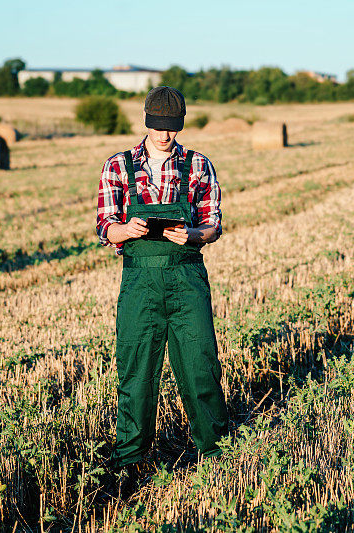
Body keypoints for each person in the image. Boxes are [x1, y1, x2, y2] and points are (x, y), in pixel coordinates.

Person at [95, 86, 229, 494]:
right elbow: (104, 224)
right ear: (146, 120)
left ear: (181, 124)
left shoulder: (199, 165)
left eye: (171, 128)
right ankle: (131, 463)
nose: (164, 135)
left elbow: (214, 224)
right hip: (138, 283)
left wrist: (193, 234)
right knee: (135, 372)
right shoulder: (118, 166)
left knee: (200, 366)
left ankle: (217, 456)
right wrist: (125, 229)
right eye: (157, 127)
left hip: (187, 278)